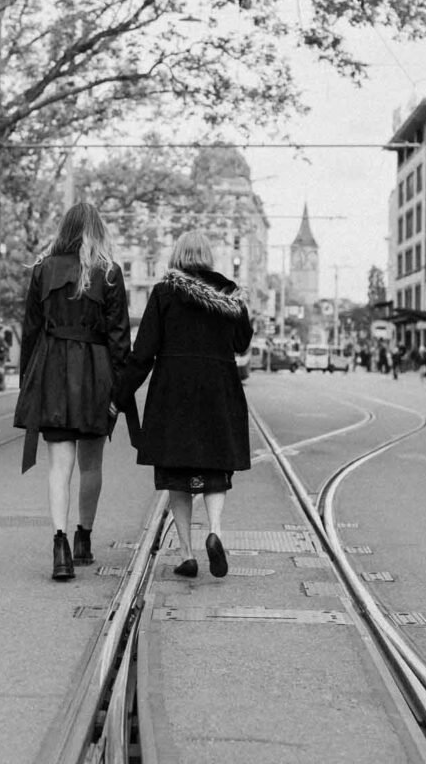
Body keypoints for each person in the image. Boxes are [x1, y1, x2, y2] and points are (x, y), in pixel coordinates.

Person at [115, 230, 253, 580]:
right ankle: (215, 532)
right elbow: (241, 342)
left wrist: (119, 395)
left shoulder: (164, 292)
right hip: (218, 390)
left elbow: (144, 352)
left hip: (173, 391)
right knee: (216, 468)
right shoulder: (229, 293)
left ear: (176, 256)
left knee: (177, 473)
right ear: (208, 257)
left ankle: (187, 554)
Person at [14, 203, 132, 582]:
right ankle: (84, 538)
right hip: (96, 375)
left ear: (64, 230)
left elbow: (31, 332)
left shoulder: (42, 270)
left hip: (53, 373)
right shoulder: (108, 273)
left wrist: (27, 384)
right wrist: (120, 392)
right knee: (91, 464)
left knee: (59, 466)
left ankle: (59, 544)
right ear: (97, 231)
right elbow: (120, 339)